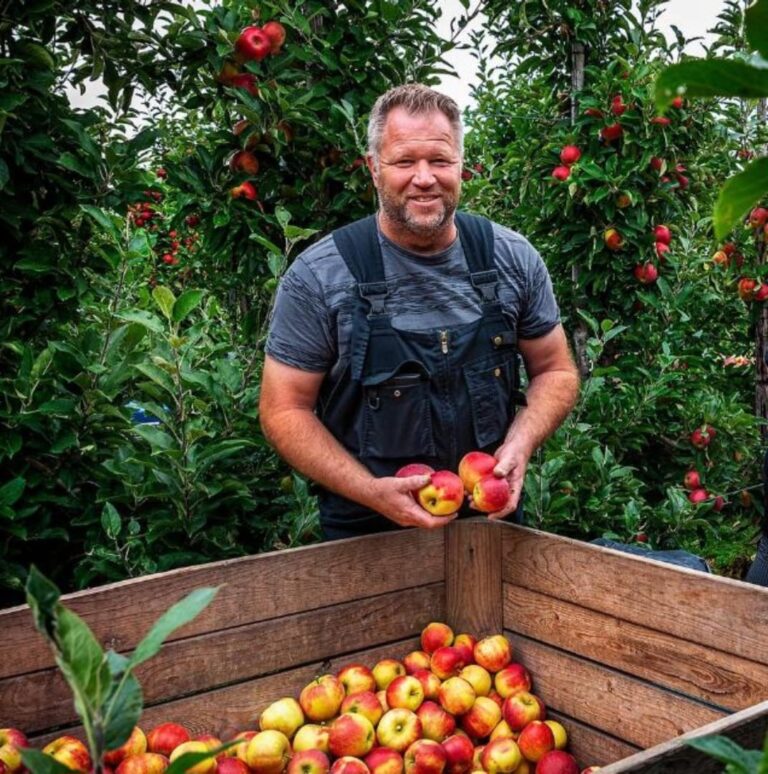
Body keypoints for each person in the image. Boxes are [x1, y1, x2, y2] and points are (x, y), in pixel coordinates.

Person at [260, 83, 580, 540]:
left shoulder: (510, 258)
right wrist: (369, 490)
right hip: (366, 532)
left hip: (490, 523)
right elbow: (283, 409)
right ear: (374, 169)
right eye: (405, 161)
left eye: (440, 161)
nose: (425, 177)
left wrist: (520, 444)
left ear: (461, 167)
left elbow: (556, 370)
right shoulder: (321, 274)